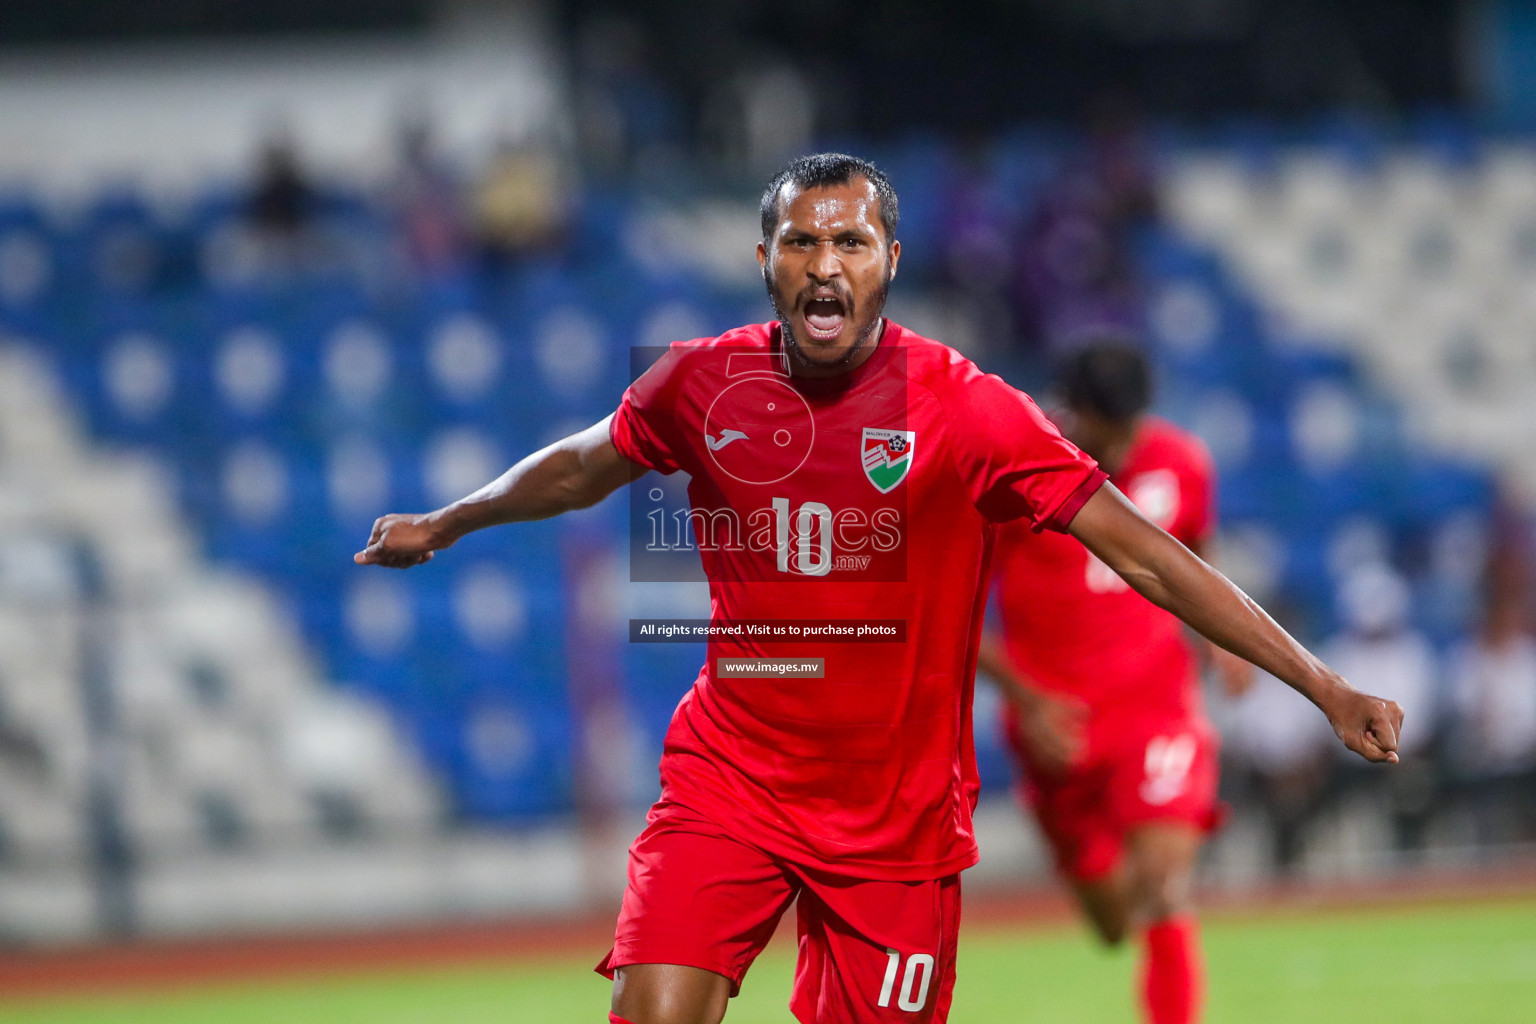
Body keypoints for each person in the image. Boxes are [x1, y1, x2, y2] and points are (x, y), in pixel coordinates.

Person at [354, 153, 1403, 1024]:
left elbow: (1146, 551)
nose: (824, 264)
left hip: (894, 823)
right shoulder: (698, 382)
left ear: (890, 261)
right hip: (732, 779)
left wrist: (1321, 684)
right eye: (801, 241)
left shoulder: (968, 410)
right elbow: (580, 464)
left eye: (850, 241)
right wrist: (449, 521)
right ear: (763, 258)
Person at [979, 340, 1251, 1024]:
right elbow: (946, 616)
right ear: (1074, 414)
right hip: (1057, 727)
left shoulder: (1182, 462)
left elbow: (1196, 555)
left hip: (1155, 708)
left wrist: (1224, 642)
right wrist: (1023, 695)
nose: (1128, 441)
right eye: (1112, 425)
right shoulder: (1011, 479)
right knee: (1111, 921)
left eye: (1134, 423)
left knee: (1165, 885)